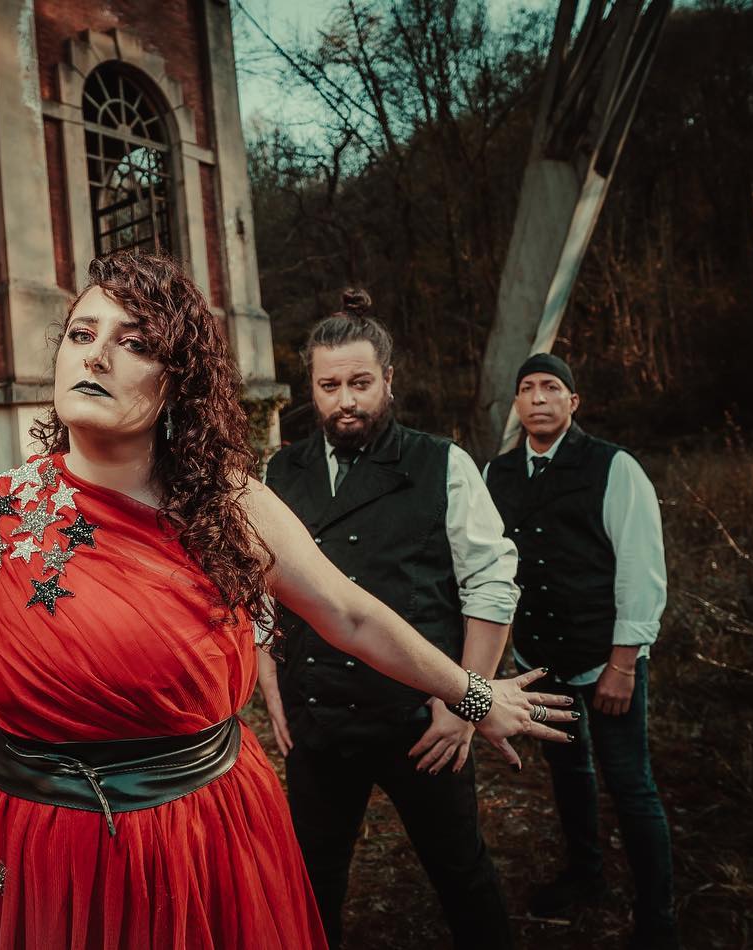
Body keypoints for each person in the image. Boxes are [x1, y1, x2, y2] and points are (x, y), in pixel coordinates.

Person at [0, 252, 578, 949]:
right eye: (82, 332)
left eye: (133, 342)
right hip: (33, 835)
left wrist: (472, 693)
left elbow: (350, 614)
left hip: (192, 831)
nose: (94, 354)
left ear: (177, 381)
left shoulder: (229, 506)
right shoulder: (1, 508)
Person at [257, 290, 519, 949]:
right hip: (319, 720)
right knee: (312, 882)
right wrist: (269, 683)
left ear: (389, 380)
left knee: (462, 874)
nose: (345, 400)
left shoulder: (442, 464)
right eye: (329, 386)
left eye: (360, 383)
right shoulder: (278, 472)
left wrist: (465, 701)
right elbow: (258, 586)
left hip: (423, 720)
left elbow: (491, 584)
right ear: (311, 388)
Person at [483, 353, 677, 950]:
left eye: (551, 387)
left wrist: (623, 664)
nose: (538, 397)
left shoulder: (614, 467)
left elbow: (642, 570)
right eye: (527, 388)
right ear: (517, 404)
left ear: (573, 402)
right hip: (539, 658)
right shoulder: (496, 473)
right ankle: (586, 875)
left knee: (631, 784)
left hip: (606, 658)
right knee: (567, 772)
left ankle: (658, 918)